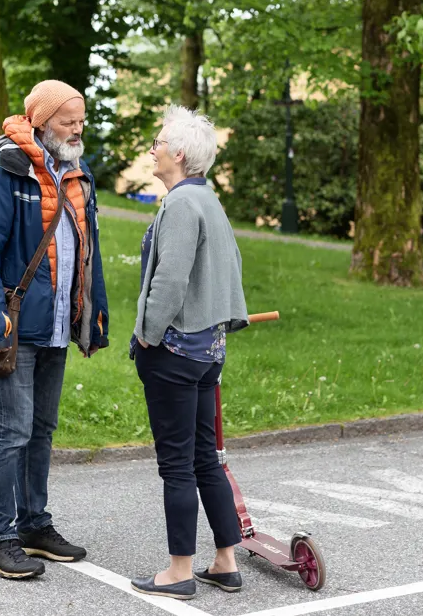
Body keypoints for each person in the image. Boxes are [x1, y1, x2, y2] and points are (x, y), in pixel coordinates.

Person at [0, 80, 110, 580]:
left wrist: (94, 316)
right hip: (14, 325)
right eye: (68, 121)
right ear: (41, 121)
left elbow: (87, 253)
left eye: (82, 121)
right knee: (12, 428)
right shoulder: (5, 169)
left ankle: (33, 526)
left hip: (56, 325)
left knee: (41, 430)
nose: (77, 129)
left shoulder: (78, 172)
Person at [130, 105, 248, 600]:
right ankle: (225, 561)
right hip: (208, 351)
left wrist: (147, 336)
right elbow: (232, 267)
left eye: (158, 141)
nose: (152, 149)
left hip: (175, 353)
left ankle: (179, 572)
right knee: (205, 459)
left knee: (177, 464)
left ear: (178, 154)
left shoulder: (180, 205)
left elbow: (170, 281)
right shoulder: (209, 201)